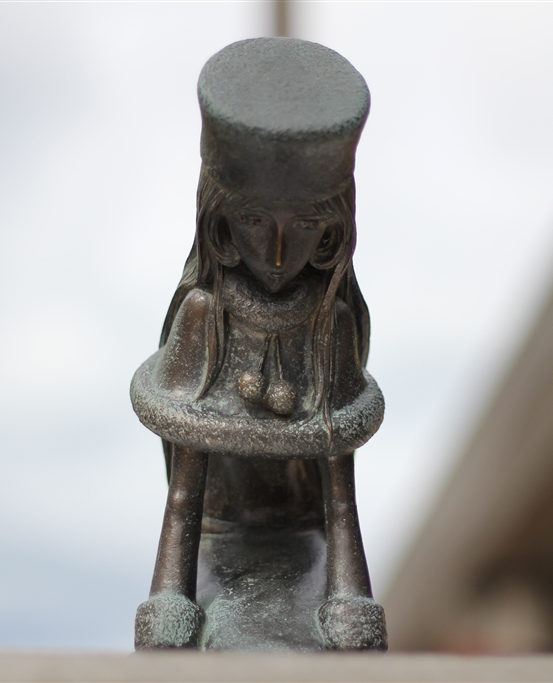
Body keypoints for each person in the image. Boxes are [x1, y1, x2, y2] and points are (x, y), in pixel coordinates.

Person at [130, 37, 386, 651]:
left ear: (331, 234)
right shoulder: (204, 319)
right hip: (215, 538)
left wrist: (351, 608)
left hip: (306, 543)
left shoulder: (330, 328)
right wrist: (169, 606)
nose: (276, 254)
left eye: (303, 227)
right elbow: (185, 494)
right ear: (220, 223)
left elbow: (339, 500)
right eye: (253, 222)